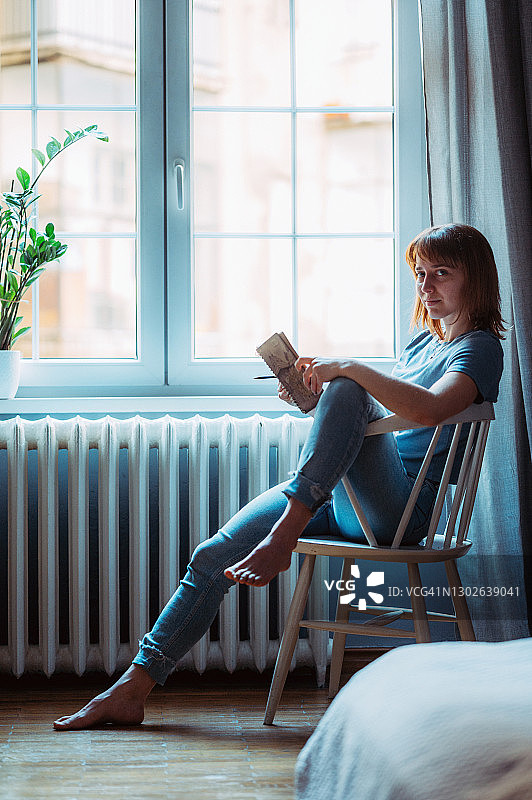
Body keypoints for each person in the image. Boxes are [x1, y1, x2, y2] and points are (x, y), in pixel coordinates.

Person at [53, 223, 504, 731]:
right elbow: (380, 421)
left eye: (441, 274)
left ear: (477, 280)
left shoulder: (481, 347)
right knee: (211, 556)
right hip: (344, 499)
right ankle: (131, 689)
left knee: (350, 387)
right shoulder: (423, 343)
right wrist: (316, 395)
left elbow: (430, 411)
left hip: (399, 514)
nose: (425, 287)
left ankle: (283, 535)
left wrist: (349, 371)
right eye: (420, 274)